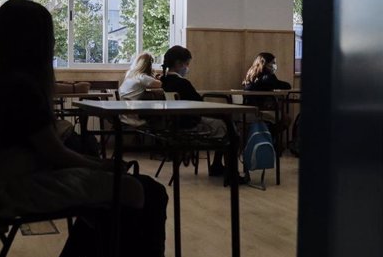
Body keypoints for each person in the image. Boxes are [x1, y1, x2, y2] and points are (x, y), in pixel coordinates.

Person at [0, 0, 144, 257]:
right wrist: (103, 166)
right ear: (36, 43)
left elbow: (41, 145)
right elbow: (56, 154)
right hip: (17, 189)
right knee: (126, 188)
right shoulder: (21, 88)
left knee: (109, 183)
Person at [159, 45, 227, 176]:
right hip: (191, 125)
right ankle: (220, 167)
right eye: (187, 64)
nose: (187, 68)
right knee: (229, 128)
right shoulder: (183, 83)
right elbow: (200, 105)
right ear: (179, 64)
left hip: (173, 125)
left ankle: (218, 166)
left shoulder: (162, 81)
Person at [241, 52, 292, 140]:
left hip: (248, 108)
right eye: (273, 63)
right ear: (265, 63)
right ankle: (266, 138)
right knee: (286, 119)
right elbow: (286, 86)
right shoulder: (267, 76)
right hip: (261, 109)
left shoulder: (250, 73)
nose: (275, 65)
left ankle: (264, 138)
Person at [117, 52, 164, 127]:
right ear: (149, 65)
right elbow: (161, 84)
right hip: (132, 117)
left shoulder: (130, 75)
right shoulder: (142, 77)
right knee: (161, 114)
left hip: (123, 115)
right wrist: (158, 77)